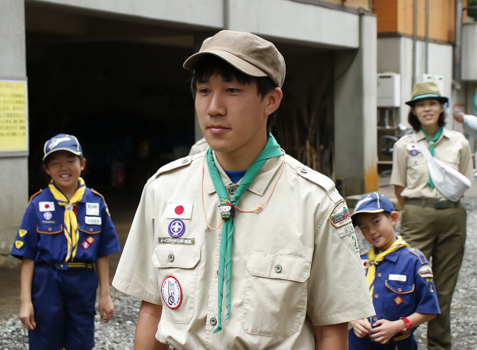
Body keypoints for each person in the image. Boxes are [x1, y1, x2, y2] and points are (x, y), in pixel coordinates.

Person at [113, 30, 374, 349]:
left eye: (232, 90)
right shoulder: (164, 188)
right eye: (204, 90)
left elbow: (330, 329)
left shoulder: (315, 201)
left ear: (271, 100)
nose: (214, 107)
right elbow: (153, 310)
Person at [11, 134, 121, 350]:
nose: (64, 168)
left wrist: (105, 295)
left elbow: (102, 253)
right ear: (47, 169)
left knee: (81, 341)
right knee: (45, 341)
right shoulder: (37, 204)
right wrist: (26, 302)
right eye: (55, 163)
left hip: (83, 282)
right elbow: (28, 258)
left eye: (70, 161)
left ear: (82, 164)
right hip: (47, 282)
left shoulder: (95, 203)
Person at [390, 81, 473, 350]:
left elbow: (465, 181)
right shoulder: (404, 145)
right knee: (406, 282)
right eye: (420, 104)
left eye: (432, 103)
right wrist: (414, 211)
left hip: (452, 216)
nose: (427, 109)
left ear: (441, 107)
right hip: (417, 215)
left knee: (444, 288)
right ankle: (399, 341)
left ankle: (439, 345)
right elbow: (399, 187)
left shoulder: (459, 141)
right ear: (413, 111)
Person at [348, 192, 440, 350]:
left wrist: (399, 326)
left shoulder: (413, 261)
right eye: (364, 227)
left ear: (393, 218)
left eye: (376, 222)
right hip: (357, 344)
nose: (371, 231)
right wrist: (355, 321)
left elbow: (429, 309)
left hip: (398, 344)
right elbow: (345, 300)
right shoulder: (360, 262)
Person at [453, 111, 477, 180]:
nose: (456, 121)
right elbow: (466, 136)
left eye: (456, 119)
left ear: (460, 116)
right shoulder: (465, 124)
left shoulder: (469, 120)